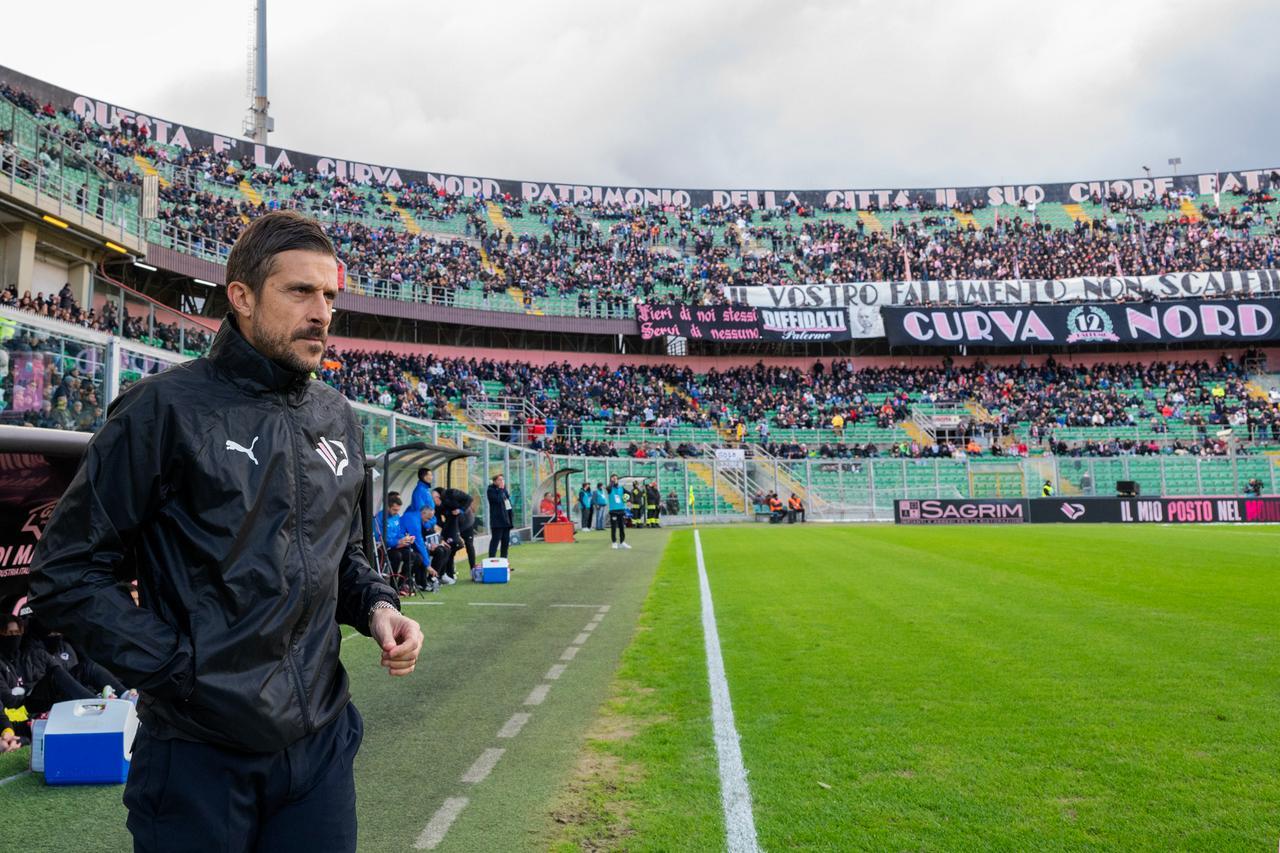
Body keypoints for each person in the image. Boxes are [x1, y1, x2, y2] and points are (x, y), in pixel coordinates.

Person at [28, 211, 422, 853]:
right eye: (300, 292)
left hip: (318, 745)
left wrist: (378, 607)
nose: (321, 312)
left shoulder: (336, 416)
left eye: (329, 295)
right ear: (240, 296)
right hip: (198, 755)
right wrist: (184, 670)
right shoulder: (164, 409)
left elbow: (343, 554)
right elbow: (66, 573)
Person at [487, 474, 513, 559]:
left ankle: (504, 562)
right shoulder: (491, 490)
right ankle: (491, 560)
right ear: (494, 481)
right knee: (495, 541)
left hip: (506, 520)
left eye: (502, 479)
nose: (502, 481)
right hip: (497, 521)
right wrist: (501, 490)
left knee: (505, 542)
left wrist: (511, 517)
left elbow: (507, 503)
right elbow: (498, 500)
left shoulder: (504, 490)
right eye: (499, 480)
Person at [607, 475, 630, 549]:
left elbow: (629, 493)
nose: (615, 479)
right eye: (613, 478)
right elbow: (609, 488)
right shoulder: (610, 488)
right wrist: (612, 482)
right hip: (613, 510)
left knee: (621, 527)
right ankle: (614, 542)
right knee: (614, 527)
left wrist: (628, 500)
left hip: (621, 510)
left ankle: (622, 542)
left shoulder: (621, 488)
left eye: (616, 478)